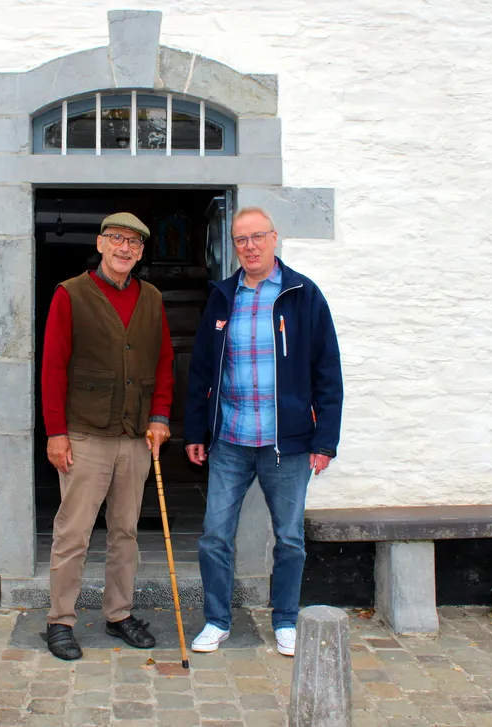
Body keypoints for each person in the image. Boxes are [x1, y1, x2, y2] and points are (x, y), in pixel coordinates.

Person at [184, 207, 343, 656]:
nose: (250, 246)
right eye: (241, 240)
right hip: (231, 440)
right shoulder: (222, 296)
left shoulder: (303, 294)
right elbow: (201, 371)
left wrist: (325, 439)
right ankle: (216, 620)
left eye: (257, 237)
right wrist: (197, 430)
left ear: (274, 239)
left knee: (290, 539)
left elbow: (327, 372)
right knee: (215, 534)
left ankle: (286, 620)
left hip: (286, 444)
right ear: (233, 246)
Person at [40, 212, 175, 661]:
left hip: (135, 435)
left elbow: (163, 363)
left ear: (141, 252)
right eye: (116, 239)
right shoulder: (71, 293)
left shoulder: (151, 297)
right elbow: (53, 368)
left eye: (134, 243)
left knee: (125, 532)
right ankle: (60, 621)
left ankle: (119, 614)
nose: (125, 248)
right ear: (100, 244)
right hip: (84, 434)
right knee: (73, 533)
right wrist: (56, 433)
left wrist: (159, 416)